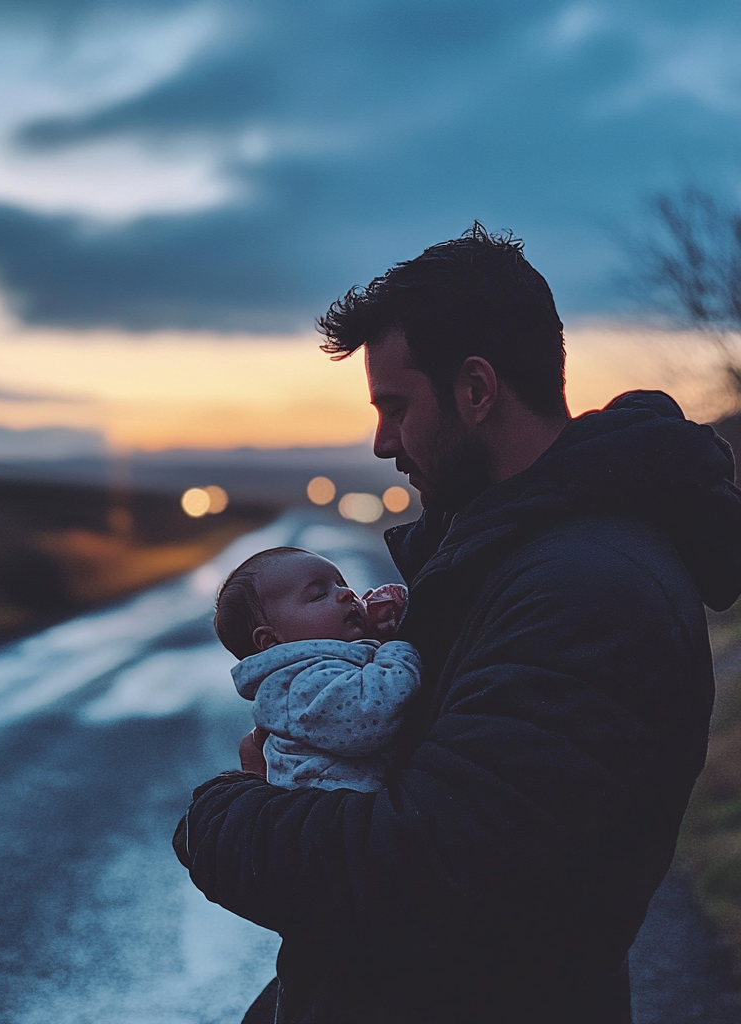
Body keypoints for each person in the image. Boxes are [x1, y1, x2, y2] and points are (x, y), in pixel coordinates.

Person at [173, 223, 741, 1024]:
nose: (382, 442)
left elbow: (431, 873)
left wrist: (223, 820)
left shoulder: (587, 590)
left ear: (476, 391)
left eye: (397, 407)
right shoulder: (507, 559)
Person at [214, 546, 420, 792]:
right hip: (342, 819)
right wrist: (397, 646)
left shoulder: (324, 667)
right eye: (319, 595)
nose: (346, 593)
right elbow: (374, 715)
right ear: (271, 641)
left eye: (340, 583)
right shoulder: (298, 683)